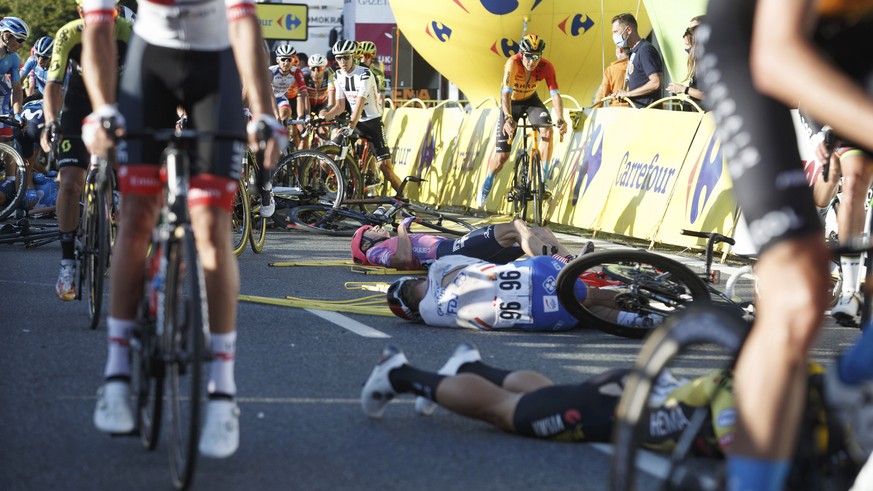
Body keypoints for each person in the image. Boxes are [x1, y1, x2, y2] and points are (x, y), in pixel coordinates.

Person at [80, 0, 287, 460]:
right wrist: (101, 110)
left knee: (212, 230)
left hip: (213, 68)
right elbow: (97, 26)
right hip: (149, 66)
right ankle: (115, 376)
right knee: (135, 218)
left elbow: (244, 23)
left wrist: (265, 113)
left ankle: (222, 393)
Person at [697, 1, 873, 489]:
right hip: (759, 45)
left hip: (854, 47)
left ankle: (846, 384)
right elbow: (776, 55)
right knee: (800, 291)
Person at [361, 342, 746, 453]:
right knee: (505, 412)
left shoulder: (790, 395)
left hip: (631, 390)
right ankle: (398, 374)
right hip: (607, 407)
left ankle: (471, 368)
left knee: (549, 397)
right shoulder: (754, 403)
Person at [41, 4, 133, 301]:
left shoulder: (128, 32)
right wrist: (50, 122)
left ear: (117, 12)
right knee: (69, 183)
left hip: (119, 105)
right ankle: (67, 262)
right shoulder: (68, 33)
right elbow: (53, 85)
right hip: (78, 106)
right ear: (81, 13)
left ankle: (117, 192)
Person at [385, 254, 661, 331]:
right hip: (535, 274)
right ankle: (658, 301)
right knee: (587, 294)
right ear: (412, 280)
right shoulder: (439, 267)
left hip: (542, 320)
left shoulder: (431, 316)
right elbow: (480, 265)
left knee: (584, 313)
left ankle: (644, 322)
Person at [477, 33, 567, 207]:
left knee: (548, 130)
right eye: (529, 57)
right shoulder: (513, 63)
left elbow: (555, 94)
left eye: (536, 57)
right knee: (502, 156)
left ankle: (542, 179)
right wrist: (508, 118)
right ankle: (488, 181)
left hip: (531, 100)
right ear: (521, 53)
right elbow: (505, 95)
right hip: (511, 103)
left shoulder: (547, 67)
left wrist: (561, 117)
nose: (532, 62)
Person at [351, 217, 592, 270]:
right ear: (365, 244)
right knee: (516, 226)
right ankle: (561, 265)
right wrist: (402, 229)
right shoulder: (374, 252)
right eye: (369, 231)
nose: (374, 228)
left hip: (459, 247)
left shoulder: (381, 242)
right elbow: (402, 260)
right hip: (452, 253)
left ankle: (572, 263)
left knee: (540, 231)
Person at [322, 40, 402, 193]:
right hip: (355, 122)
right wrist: (321, 119)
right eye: (338, 58)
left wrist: (350, 126)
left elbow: (359, 103)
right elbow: (339, 107)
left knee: (386, 168)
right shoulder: (338, 75)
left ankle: (403, 200)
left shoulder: (365, 74)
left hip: (371, 123)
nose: (342, 61)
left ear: (353, 57)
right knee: (326, 159)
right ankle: (343, 189)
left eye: (346, 57)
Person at [610, 13, 663, 108]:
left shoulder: (645, 50)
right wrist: (622, 94)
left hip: (648, 115)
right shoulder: (633, 52)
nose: (613, 36)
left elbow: (656, 82)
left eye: (616, 31)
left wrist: (628, 94)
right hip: (637, 114)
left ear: (629, 30)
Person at [270, 44, 309, 148]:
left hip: (282, 98)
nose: (286, 62)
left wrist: (307, 114)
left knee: (285, 113)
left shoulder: (296, 71)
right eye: (283, 59)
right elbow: (269, 95)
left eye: (289, 59)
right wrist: (276, 115)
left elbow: (304, 93)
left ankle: (283, 142)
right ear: (277, 59)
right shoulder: (271, 71)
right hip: (269, 99)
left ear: (293, 60)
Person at [0, 17, 28, 122]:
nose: (21, 45)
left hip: (2, 96)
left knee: (5, 136)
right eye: (20, 40)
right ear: (7, 34)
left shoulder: (14, 59)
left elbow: (16, 88)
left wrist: (17, 114)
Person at [666, 26, 704, 104]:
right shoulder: (696, 62)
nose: (686, 48)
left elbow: (705, 95)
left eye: (687, 44)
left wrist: (683, 89)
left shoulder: (705, 64)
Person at [356, 41, 385, 109]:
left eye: (367, 55)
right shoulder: (352, 68)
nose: (363, 59)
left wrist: (381, 116)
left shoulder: (378, 73)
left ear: (372, 57)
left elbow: (381, 97)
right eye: (361, 56)